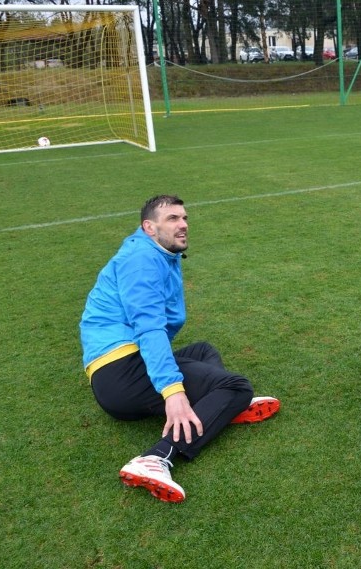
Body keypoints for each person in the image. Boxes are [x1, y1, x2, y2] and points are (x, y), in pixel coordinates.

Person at [80, 195, 280, 503]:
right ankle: (155, 458)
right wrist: (172, 391)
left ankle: (220, 409)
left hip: (118, 372)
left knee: (202, 350)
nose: (183, 224)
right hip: (119, 373)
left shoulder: (156, 253)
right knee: (237, 386)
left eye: (184, 218)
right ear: (149, 227)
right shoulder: (141, 260)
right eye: (172, 219)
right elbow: (148, 327)